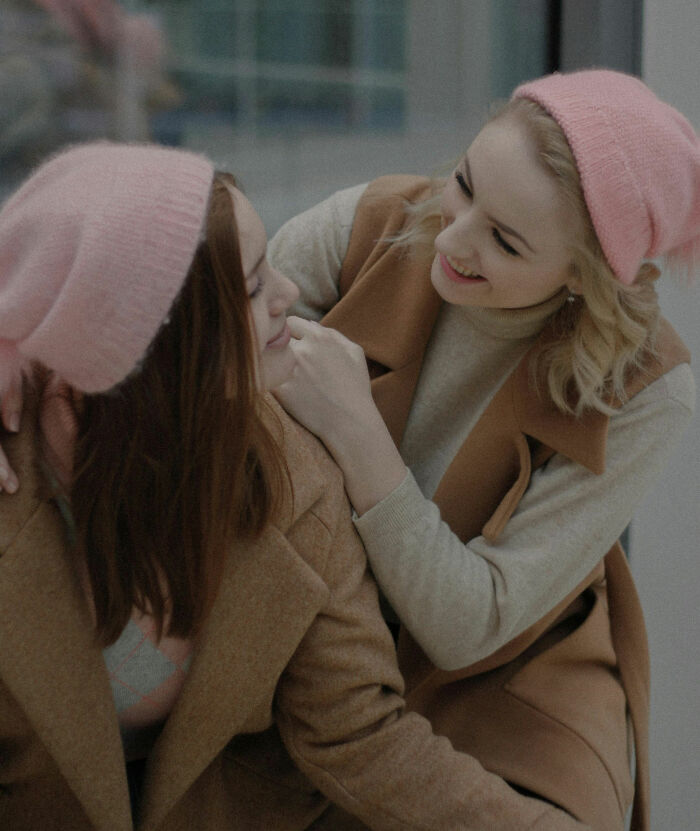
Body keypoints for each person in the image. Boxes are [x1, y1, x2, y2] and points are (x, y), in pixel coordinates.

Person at [0, 143, 589, 830]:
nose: (287, 295)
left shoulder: (291, 477)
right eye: (251, 285)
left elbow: (359, 734)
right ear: (144, 346)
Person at [267, 69, 698, 831]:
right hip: (338, 616)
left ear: (585, 279)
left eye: (504, 239)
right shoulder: (377, 219)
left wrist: (358, 432)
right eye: (464, 184)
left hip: (516, 671)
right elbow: (206, 345)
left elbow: (473, 624)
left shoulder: (646, 388)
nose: (453, 235)